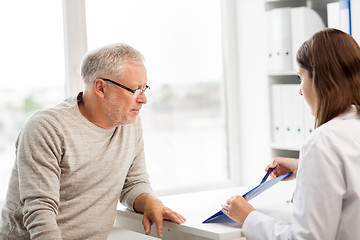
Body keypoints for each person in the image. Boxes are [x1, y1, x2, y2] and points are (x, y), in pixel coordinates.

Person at [0, 43, 186, 240]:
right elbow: (40, 211)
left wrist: (149, 201)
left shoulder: (129, 122)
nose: (143, 99)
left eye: (144, 88)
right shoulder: (46, 127)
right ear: (100, 87)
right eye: (135, 89)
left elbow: (133, 183)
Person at [221, 28, 360, 239]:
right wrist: (305, 165)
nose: (301, 91)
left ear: (321, 80)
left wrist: (248, 216)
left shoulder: (323, 142)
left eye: (300, 77)